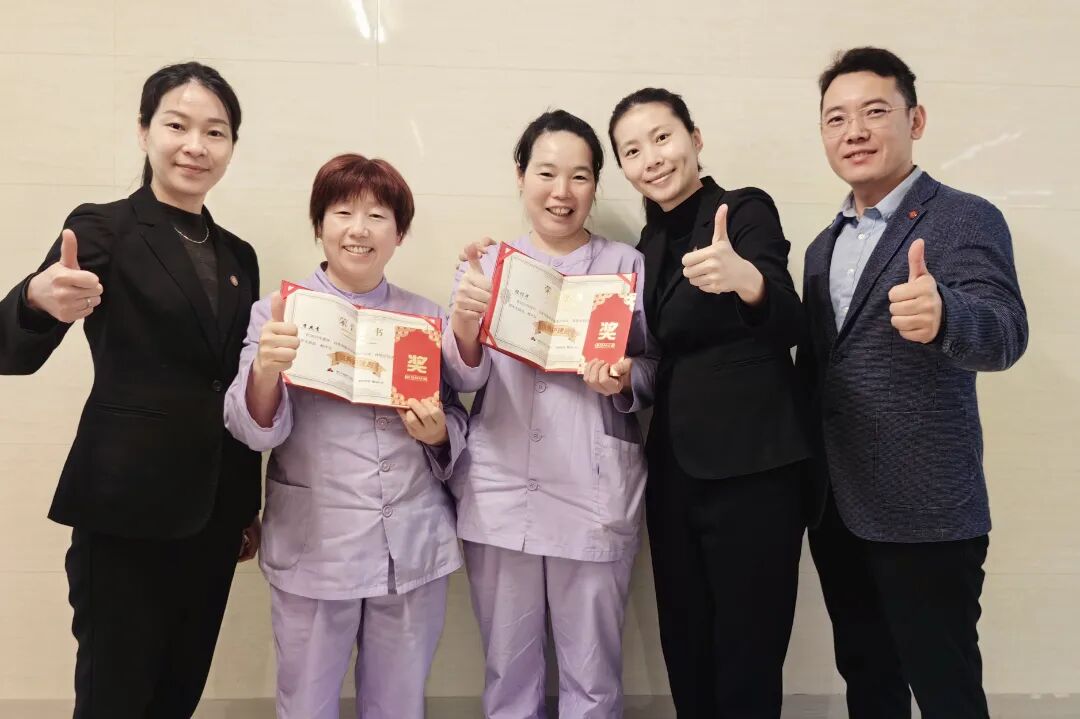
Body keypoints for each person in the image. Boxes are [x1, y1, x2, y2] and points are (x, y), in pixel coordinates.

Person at [0, 62, 261, 718]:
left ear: (232, 145)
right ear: (144, 131)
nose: (195, 145)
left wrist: (246, 503)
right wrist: (35, 300)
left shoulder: (240, 256)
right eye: (177, 125)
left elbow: (233, 382)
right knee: (114, 698)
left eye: (215, 132)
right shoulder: (104, 227)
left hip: (213, 515)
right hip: (124, 510)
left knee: (178, 693)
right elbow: (12, 349)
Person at [798, 47, 1028, 719]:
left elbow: (1006, 331)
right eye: (836, 118)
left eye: (874, 112)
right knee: (868, 681)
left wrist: (946, 313)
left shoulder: (964, 217)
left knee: (946, 689)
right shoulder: (821, 247)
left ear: (915, 119)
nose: (854, 132)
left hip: (927, 512)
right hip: (838, 509)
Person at [224, 153, 466, 719]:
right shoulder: (278, 313)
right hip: (317, 544)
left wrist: (439, 435)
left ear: (399, 233)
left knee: (399, 703)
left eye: (378, 216)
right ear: (319, 225)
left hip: (410, 542)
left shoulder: (425, 318)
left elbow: (456, 418)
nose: (359, 229)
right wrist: (265, 371)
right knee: (306, 702)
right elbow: (250, 428)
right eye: (342, 212)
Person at [608, 87, 811, 718]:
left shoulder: (743, 209)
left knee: (749, 646)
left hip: (755, 466)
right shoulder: (644, 247)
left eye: (662, 137)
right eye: (632, 151)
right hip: (673, 469)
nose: (651, 158)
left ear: (695, 139)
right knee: (685, 639)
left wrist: (747, 281)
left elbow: (791, 320)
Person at [444, 109, 652, 718]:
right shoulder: (487, 266)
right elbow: (461, 378)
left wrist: (624, 378)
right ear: (520, 175)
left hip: (592, 489)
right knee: (508, 668)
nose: (562, 192)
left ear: (595, 185)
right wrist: (464, 324)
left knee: (593, 671)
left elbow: (655, 367)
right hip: (501, 487)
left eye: (580, 176)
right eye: (546, 173)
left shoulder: (626, 265)